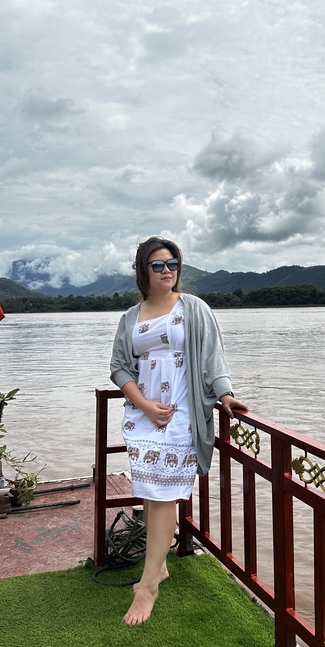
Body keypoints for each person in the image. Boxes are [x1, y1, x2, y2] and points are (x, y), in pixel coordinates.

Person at [109, 236, 247, 625]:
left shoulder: (194, 310)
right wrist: (144, 405)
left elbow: (213, 358)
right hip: (144, 416)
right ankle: (161, 567)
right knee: (151, 495)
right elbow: (120, 368)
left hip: (180, 417)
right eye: (157, 265)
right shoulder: (130, 318)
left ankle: (148, 585)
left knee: (165, 494)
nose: (167, 270)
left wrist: (226, 395)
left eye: (172, 263)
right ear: (143, 271)